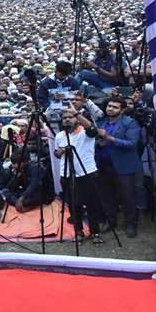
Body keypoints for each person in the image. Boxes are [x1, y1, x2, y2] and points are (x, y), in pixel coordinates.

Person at [54, 104, 105, 244]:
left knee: (92, 205)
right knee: (73, 206)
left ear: (76, 119)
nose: (67, 120)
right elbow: (56, 153)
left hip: (87, 173)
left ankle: (95, 233)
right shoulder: (60, 135)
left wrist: (76, 113)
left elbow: (93, 130)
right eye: (65, 118)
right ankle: (79, 232)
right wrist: (59, 152)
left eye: (70, 117)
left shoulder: (85, 132)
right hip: (67, 175)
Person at [95, 97, 142, 238]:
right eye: (109, 106)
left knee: (128, 197)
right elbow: (95, 140)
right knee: (107, 196)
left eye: (115, 107)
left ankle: (131, 224)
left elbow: (131, 144)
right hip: (104, 165)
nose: (110, 109)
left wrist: (109, 138)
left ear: (122, 110)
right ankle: (111, 221)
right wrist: (99, 143)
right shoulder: (101, 122)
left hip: (124, 166)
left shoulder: (130, 123)